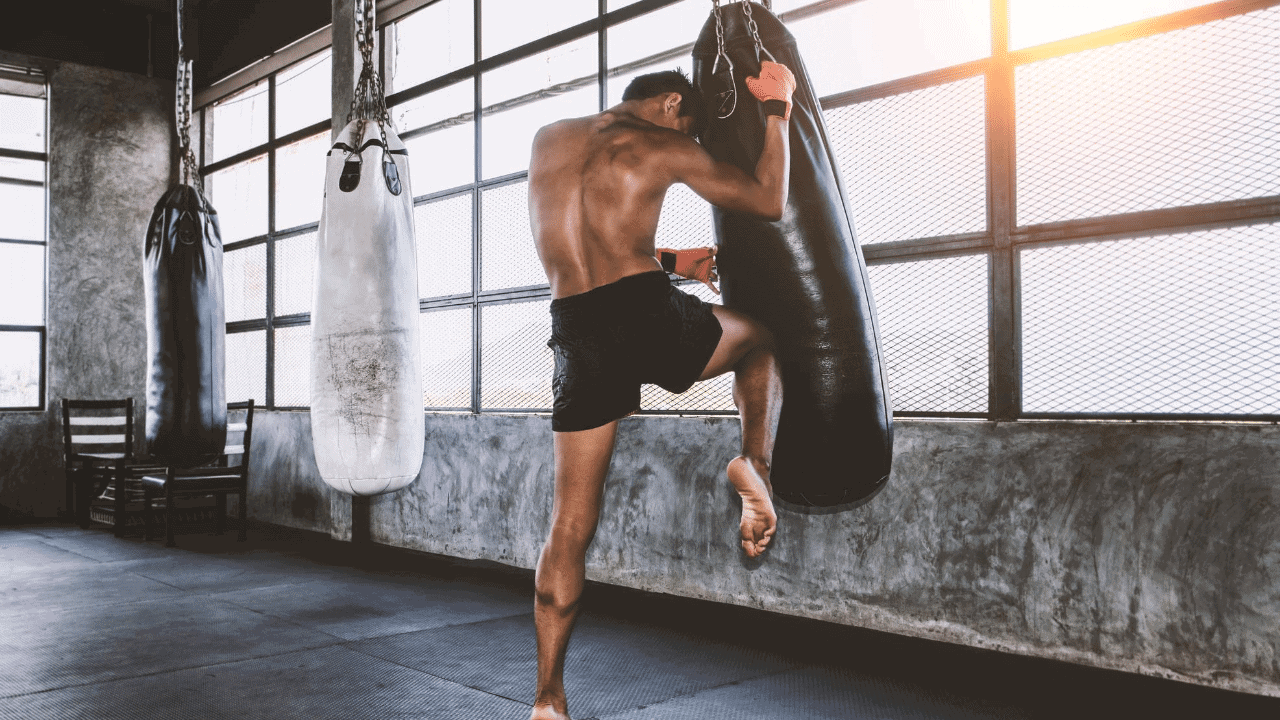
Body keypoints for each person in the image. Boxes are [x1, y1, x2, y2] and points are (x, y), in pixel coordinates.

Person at [526, 63, 796, 720]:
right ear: (672, 102)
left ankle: (547, 701)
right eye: (691, 122)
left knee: (567, 526)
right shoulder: (666, 145)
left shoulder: (548, 138)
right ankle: (752, 461)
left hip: (577, 327)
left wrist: (677, 261)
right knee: (759, 340)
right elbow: (766, 199)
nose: (691, 136)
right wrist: (778, 108)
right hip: (642, 314)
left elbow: (584, 228)